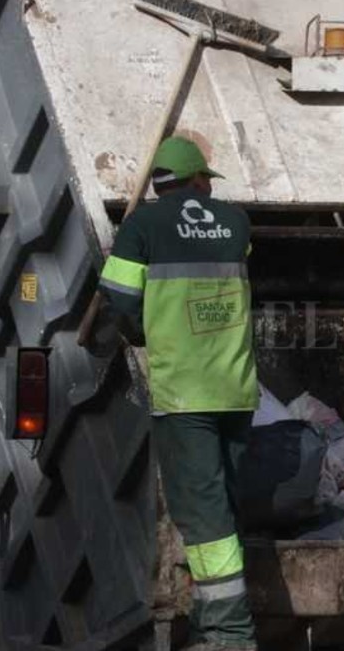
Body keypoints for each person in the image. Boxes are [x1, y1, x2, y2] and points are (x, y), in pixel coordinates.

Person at [98, 137, 259, 651]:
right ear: (194, 179)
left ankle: (231, 635)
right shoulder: (237, 223)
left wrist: (138, 331)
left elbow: (118, 298)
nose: (209, 185)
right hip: (235, 390)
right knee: (224, 508)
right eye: (206, 177)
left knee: (205, 519)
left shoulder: (142, 225)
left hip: (184, 394)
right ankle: (212, 624)